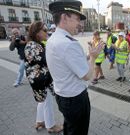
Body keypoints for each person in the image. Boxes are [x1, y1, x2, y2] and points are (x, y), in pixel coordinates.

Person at [46, 1, 103, 134]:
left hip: (63, 95)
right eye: (77, 18)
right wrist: (94, 57)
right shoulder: (68, 43)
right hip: (75, 99)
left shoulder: (53, 38)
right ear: (64, 17)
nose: (80, 23)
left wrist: (89, 55)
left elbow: (70, 63)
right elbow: (87, 75)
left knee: (70, 128)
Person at [24, 21, 63, 133]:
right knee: (47, 102)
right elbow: (48, 61)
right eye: (45, 30)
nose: (48, 32)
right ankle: (51, 126)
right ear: (37, 33)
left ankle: (40, 121)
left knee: (42, 101)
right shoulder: (33, 45)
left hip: (38, 80)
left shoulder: (34, 44)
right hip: (41, 80)